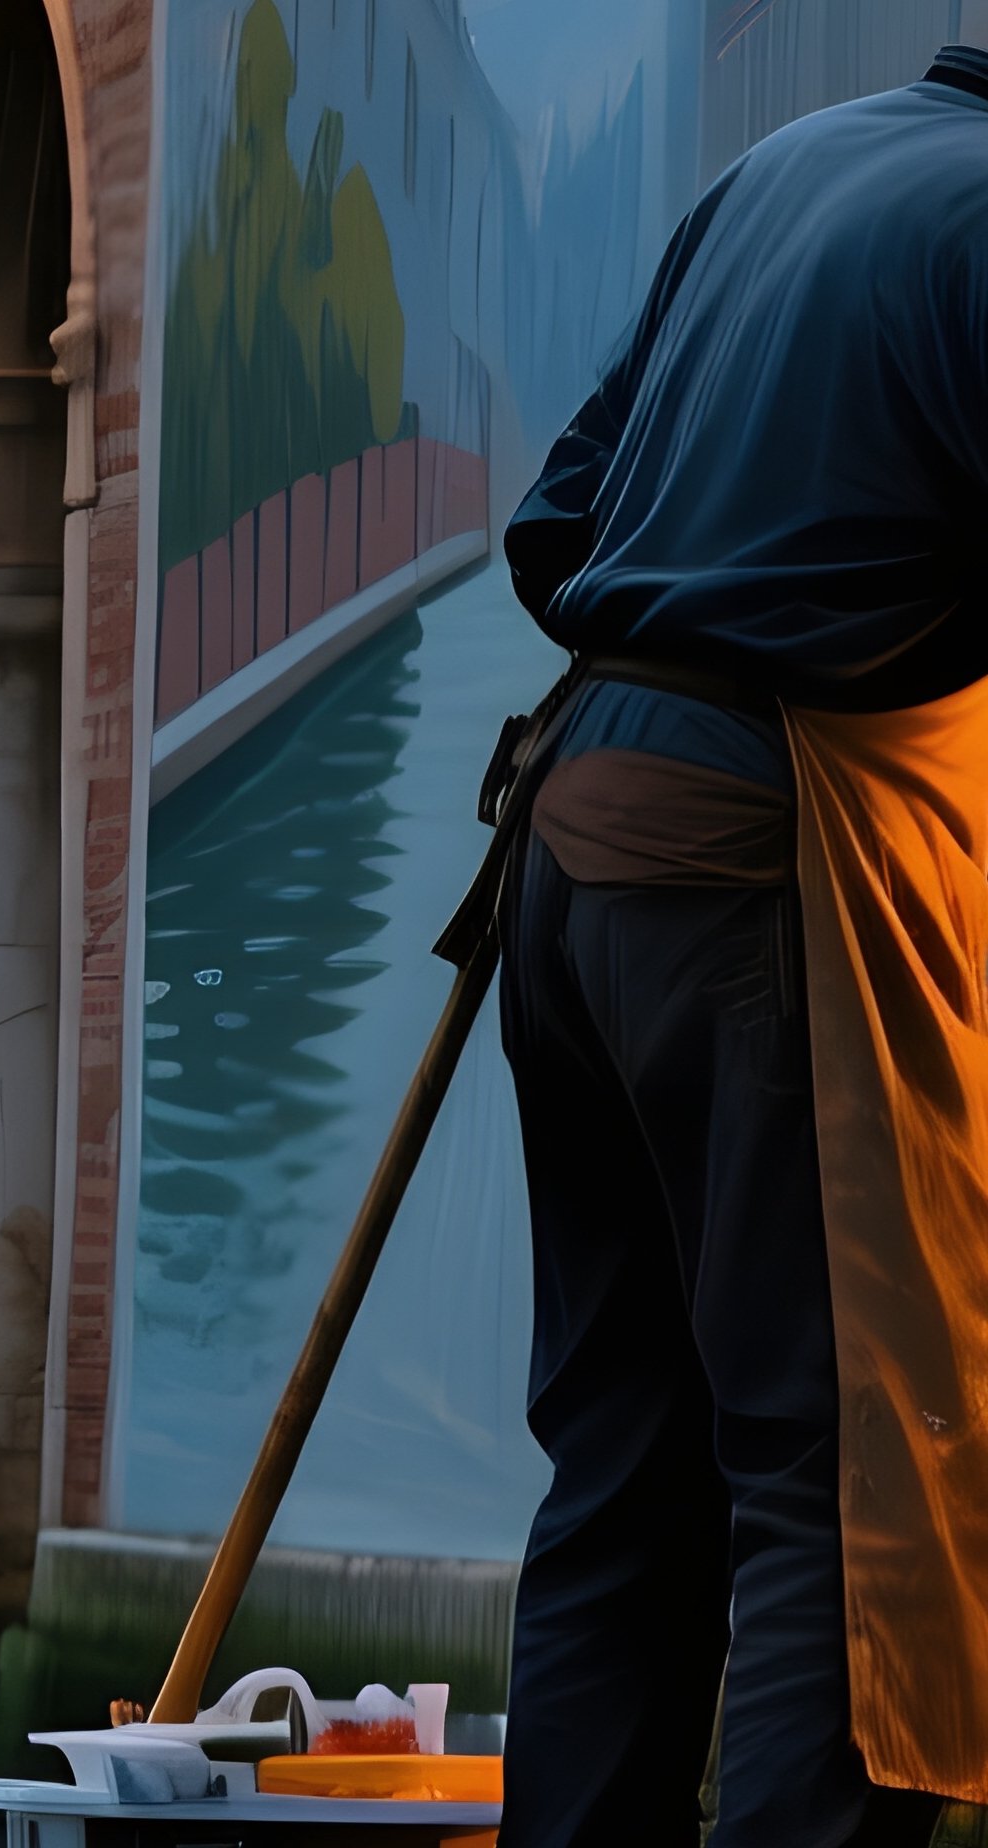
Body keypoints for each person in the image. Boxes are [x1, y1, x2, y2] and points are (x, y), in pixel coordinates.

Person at [495, 43, 988, 1848]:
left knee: (625, 1476)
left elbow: (554, 529)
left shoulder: (785, 170)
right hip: (753, 877)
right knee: (844, 1487)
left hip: (570, 851)